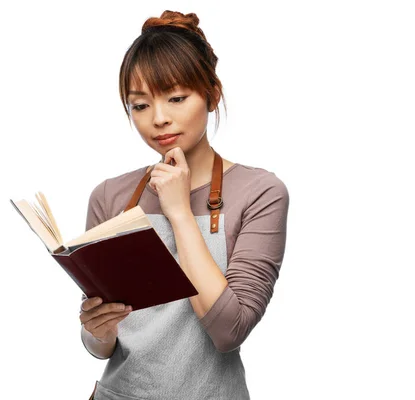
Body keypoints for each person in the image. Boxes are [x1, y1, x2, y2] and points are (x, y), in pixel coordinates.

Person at [78, 10, 289, 400]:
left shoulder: (260, 192)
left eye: (176, 98)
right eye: (139, 105)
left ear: (212, 95)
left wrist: (178, 211)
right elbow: (101, 347)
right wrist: (97, 330)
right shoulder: (109, 196)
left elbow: (229, 331)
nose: (159, 119)